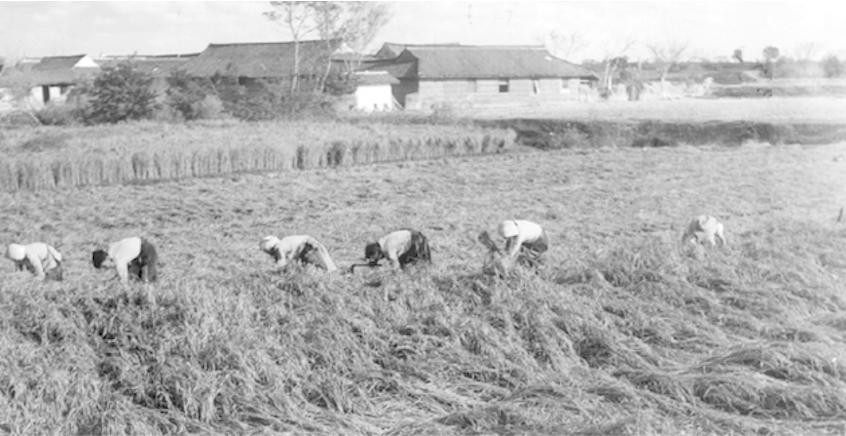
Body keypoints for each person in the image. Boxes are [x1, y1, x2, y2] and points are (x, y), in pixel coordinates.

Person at [92, 236, 158, 283]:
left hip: (146, 251)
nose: (107, 268)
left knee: (146, 280)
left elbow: (124, 280)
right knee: (136, 277)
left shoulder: (118, 259)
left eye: (105, 266)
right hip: (137, 253)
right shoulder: (112, 250)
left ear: (106, 259)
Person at [260, 235, 338, 272]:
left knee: (324, 269)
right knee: (328, 269)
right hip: (308, 246)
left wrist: (277, 272)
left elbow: (281, 263)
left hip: (309, 248)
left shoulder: (279, 248)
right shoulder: (284, 242)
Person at [363, 229, 431, 269]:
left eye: (373, 257)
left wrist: (393, 275)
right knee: (403, 262)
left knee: (405, 263)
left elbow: (396, 265)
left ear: (376, 252)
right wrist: (375, 262)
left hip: (416, 240)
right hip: (412, 235)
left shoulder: (388, 248)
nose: (374, 259)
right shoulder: (382, 242)